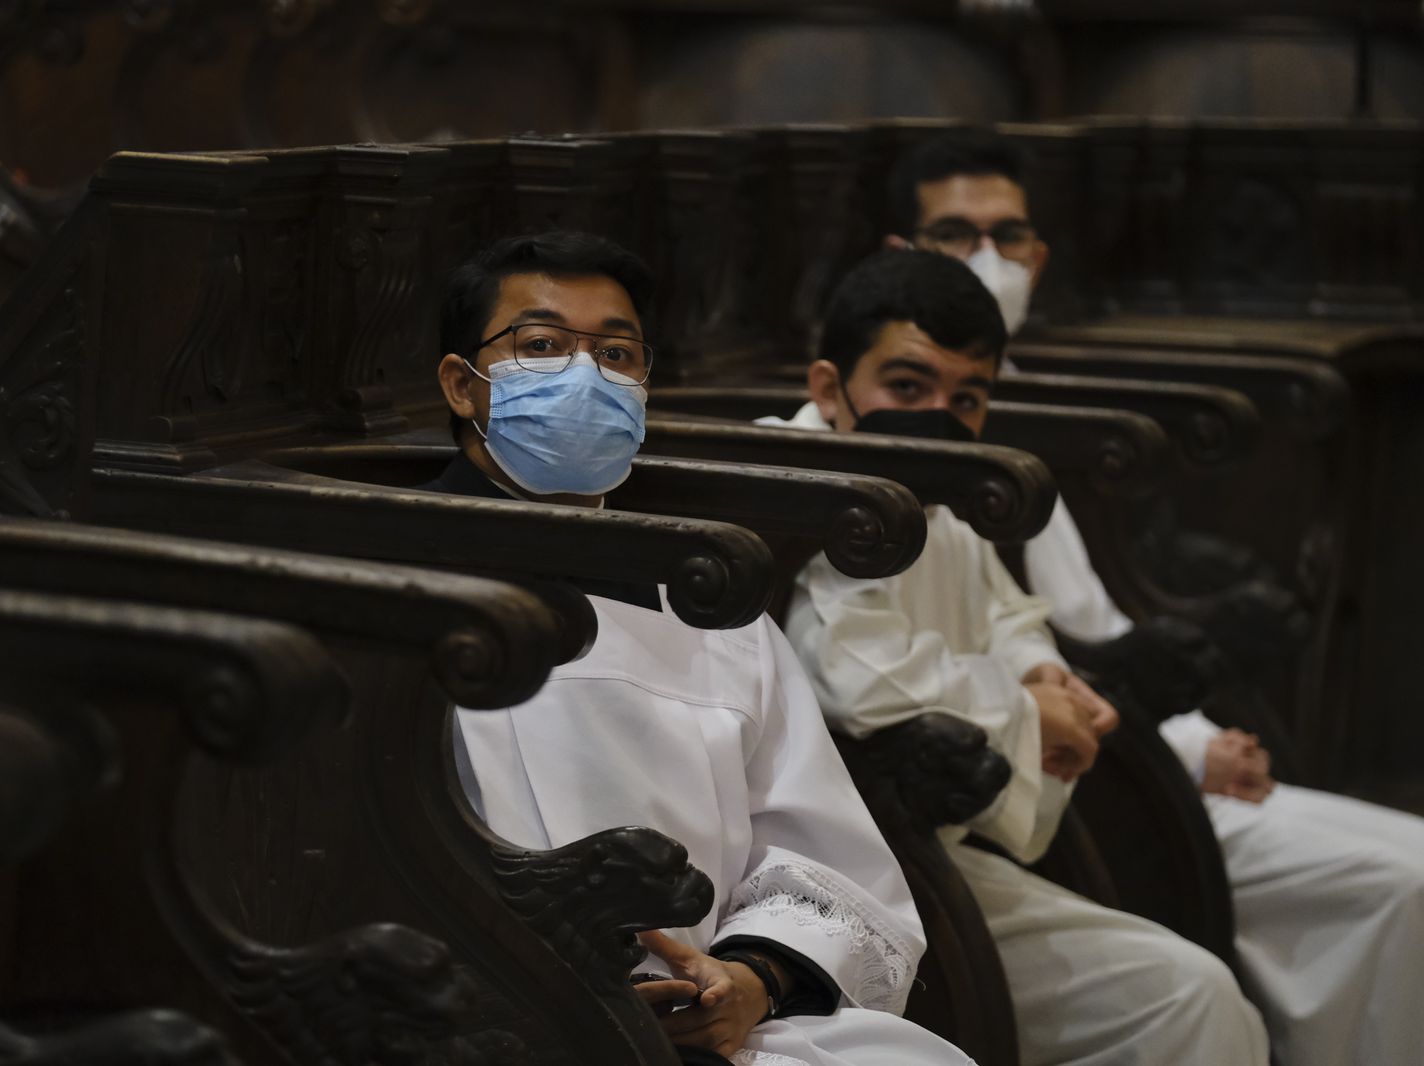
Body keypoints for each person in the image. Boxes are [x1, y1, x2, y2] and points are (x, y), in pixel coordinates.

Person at [886, 129, 1424, 1066]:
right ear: (901, 256)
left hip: (1127, 749)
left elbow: (1085, 629)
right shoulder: (911, 435)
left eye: (1006, 237)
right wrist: (1182, 746)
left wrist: (1198, 731)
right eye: (954, 237)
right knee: (1397, 890)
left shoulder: (1008, 410)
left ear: (1037, 257)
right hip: (1090, 782)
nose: (987, 261)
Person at [421, 229, 976, 1066]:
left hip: (722, 1026)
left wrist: (752, 979)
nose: (585, 375)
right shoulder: (388, 588)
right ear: (465, 386)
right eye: (541, 346)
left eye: (616, 353)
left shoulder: (704, 604)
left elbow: (822, 855)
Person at [775, 247, 1271, 1066]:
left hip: (939, 853)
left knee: (1200, 987)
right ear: (829, 389)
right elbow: (859, 684)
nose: (937, 414)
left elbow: (1003, 610)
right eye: (906, 387)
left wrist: (1049, 678)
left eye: (965, 398)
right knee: (1184, 997)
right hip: (840, 877)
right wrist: (1023, 713)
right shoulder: (801, 489)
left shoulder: (935, 486)